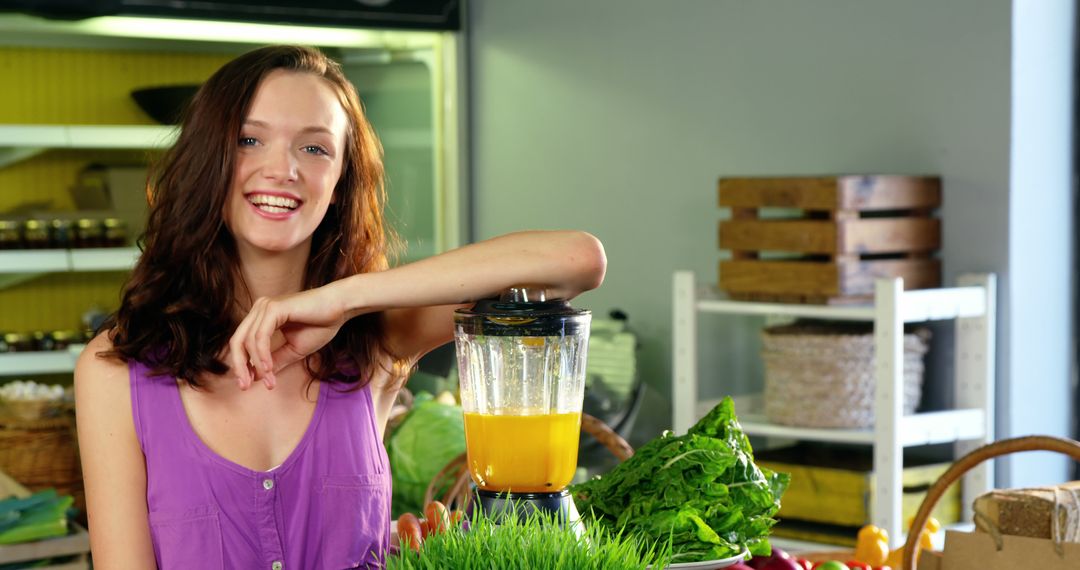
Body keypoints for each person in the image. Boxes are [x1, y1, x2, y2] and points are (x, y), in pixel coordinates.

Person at [74, 44, 606, 569]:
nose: (282, 169)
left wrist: (343, 300)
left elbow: (575, 260)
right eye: (249, 139)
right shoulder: (115, 370)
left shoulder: (377, 337)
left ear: (340, 182)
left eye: (315, 149)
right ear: (208, 158)